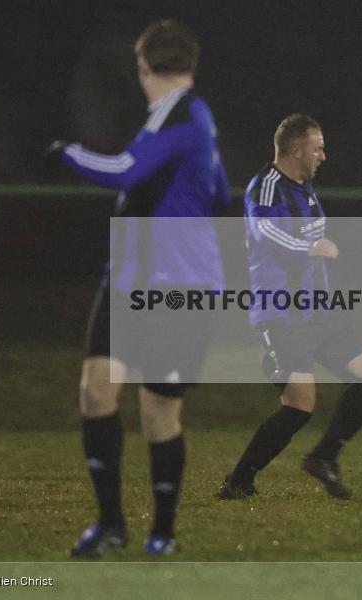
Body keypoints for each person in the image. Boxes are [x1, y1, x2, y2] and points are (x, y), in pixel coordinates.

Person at [44, 20, 231, 557]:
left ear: (142, 65)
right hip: (133, 278)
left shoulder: (183, 112)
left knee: (156, 408)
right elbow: (217, 191)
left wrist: (65, 153)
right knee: (98, 389)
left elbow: (125, 170)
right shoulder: (185, 117)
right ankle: (112, 527)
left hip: (178, 284)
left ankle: (162, 534)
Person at [217, 114, 362, 501]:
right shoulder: (266, 187)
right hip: (281, 312)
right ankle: (238, 480)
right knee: (299, 406)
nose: (324, 155)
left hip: (320, 312)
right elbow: (263, 232)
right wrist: (308, 247)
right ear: (295, 149)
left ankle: (324, 457)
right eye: (317, 147)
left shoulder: (306, 188)